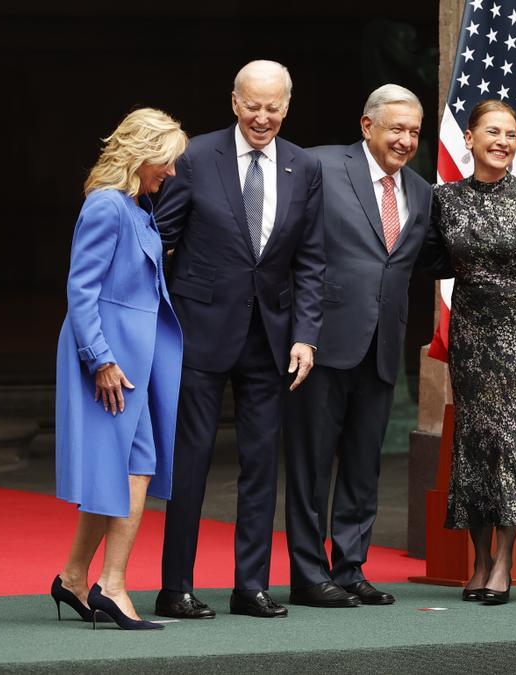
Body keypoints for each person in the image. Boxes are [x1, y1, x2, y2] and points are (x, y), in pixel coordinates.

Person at [154, 60, 325, 620]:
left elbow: (310, 260)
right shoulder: (197, 157)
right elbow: (161, 242)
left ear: (287, 107)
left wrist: (306, 335)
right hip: (200, 333)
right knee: (192, 461)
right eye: (253, 105)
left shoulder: (304, 166)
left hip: (270, 340)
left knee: (260, 465)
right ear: (234, 102)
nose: (263, 116)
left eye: (274, 106)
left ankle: (250, 586)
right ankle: (175, 586)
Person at [282, 84, 433, 608]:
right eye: (396, 128)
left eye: (414, 131)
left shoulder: (420, 190)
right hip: (321, 344)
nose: (406, 140)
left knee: (364, 466)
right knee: (311, 465)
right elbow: (285, 242)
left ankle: (350, 569)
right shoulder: (319, 166)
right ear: (367, 126)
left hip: (382, 346)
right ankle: (308, 574)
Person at [423, 99, 516, 605]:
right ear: (468, 139)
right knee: (477, 449)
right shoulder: (445, 200)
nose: (503, 142)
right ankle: (480, 561)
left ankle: (503, 563)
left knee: (511, 448)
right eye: (492, 132)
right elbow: (428, 259)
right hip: (471, 340)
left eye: (510, 135)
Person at [50, 107, 187, 630]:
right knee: (136, 466)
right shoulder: (107, 205)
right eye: (166, 161)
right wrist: (100, 359)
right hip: (109, 356)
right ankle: (113, 584)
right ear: (141, 152)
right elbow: (80, 289)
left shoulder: (136, 205)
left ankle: (74, 578)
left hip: (133, 355)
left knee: (128, 466)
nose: (170, 173)